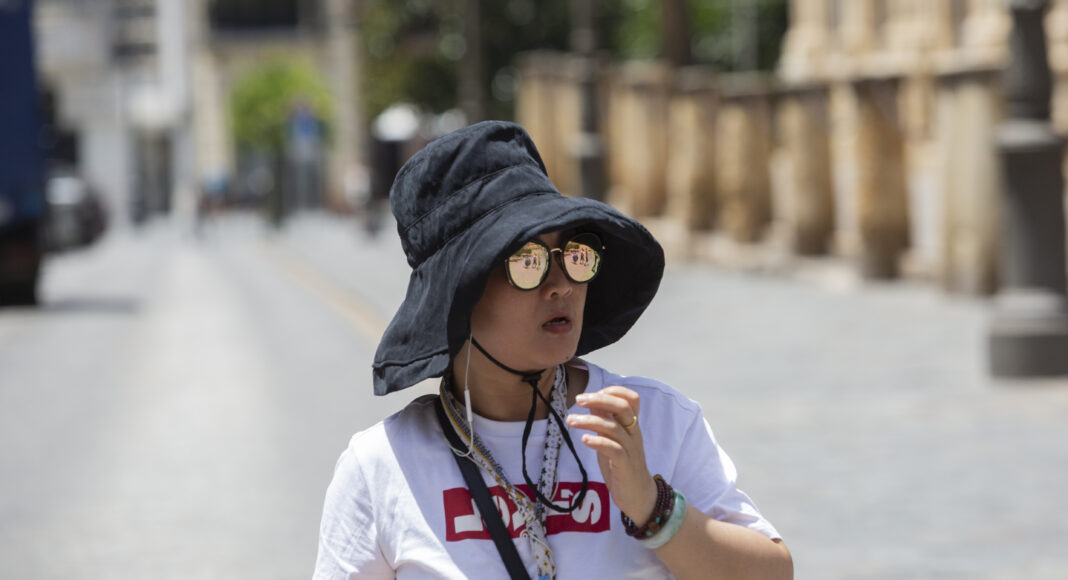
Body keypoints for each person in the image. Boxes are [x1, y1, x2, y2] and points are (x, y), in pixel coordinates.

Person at [314, 121, 792, 579]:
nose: (562, 285)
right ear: (458, 295)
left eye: (575, 253)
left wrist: (653, 508)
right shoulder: (382, 467)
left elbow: (774, 574)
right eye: (527, 261)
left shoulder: (653, 421)